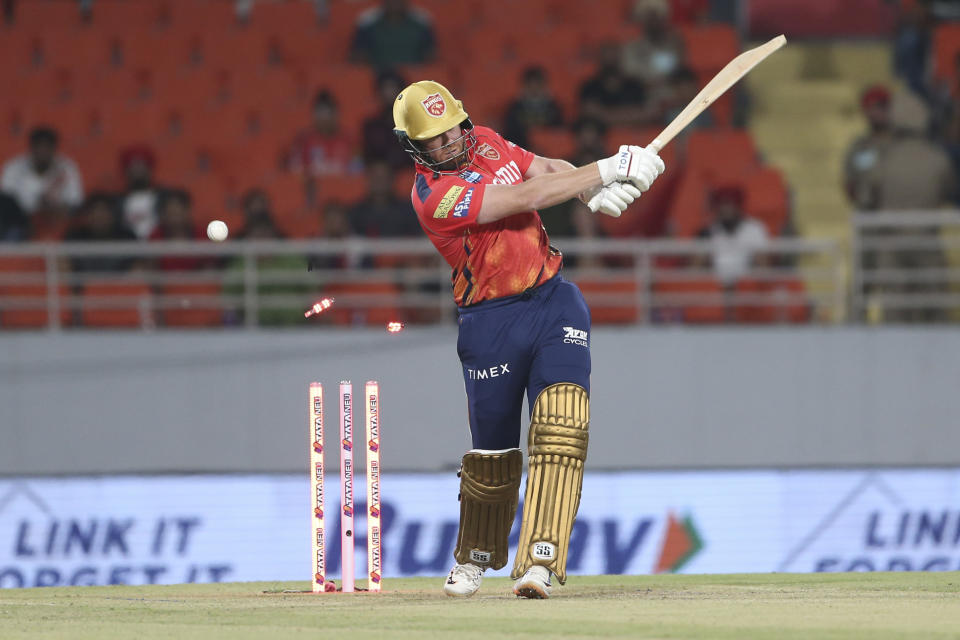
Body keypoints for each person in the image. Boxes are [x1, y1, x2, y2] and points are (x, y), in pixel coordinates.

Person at [392, 80, 664, 599]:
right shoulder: (432, 196)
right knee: (493, 456)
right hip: (488, 323)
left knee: (563, 426)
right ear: (414, 146)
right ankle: (474, 557)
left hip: (551, 300)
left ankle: (542, 559)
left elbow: (543, 170)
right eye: (433, 140)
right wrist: (607, 168)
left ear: (463, 122)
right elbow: (523, 197)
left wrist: (591, 190)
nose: (447, 144)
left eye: (451, 131)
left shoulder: (489, 141)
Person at [1, 126, 83, 237]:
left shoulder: (67, 168)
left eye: (47, 147)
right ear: (31, 148)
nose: (42, 151)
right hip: (20, 222)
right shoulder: (13, 167)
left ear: (54, 148)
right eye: (39, 146)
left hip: (57, 219)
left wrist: (53, 207)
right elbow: (6, 201)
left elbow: (75, 201)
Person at [694, 185, 770, 287]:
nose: (726, 210)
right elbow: (695, 268)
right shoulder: (708, 231)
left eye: (729, 204)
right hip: (715, 287)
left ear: (738, 206)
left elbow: (763, 266)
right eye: (722, 205)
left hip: (746, 286)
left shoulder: (754, 229)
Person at [286, 90, 362, 177]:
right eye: (320, 113)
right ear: (314, 115)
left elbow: (358, 171)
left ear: (336, 114)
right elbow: (294, 170)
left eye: (328, 112)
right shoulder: (303, 140)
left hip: (344, 188)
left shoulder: (351, 140)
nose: (324, 118)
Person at [350, 0, 435, 69]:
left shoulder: (422, 22)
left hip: (414, 78)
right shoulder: (367, 22)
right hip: (376, 77)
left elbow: (431, 56)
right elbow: (358, 56)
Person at [502, 66, 564, 150]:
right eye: (531, 86)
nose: (534, 90)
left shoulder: (554, 108)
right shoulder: (514, 108)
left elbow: (559, 133)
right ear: (524, 87)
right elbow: (509, 134)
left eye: (538, 85)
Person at [117, 144, 164, 240]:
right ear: (126, 170)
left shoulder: (165, 198)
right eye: (134, 166)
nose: (138, 170)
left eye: (142, 165)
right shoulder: (116, 201)